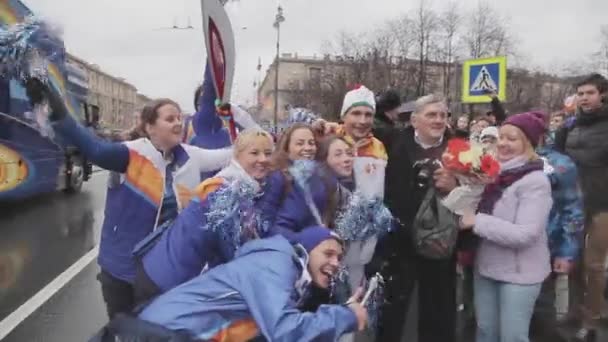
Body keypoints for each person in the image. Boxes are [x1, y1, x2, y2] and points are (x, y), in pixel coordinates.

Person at [24, 78, 258, 319]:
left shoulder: (191, 156)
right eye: (170, 119)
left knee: (157, 330)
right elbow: (93, 149)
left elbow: (237, 153)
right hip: (122, 271)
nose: (178, 122)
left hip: (164, 270)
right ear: (150, 127)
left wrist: (238, 115)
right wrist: (59, 111)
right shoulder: (131, 153)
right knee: (125, 331)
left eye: (179, 117)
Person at [107, 227, 367, 341]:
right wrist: (345, 316)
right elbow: (285, 331)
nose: (335, 262)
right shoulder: (276, 264)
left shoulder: (288, 273)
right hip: (160, 335)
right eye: (328, 253)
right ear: (307, 250)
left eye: (340, 258)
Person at [133, 128, 275, 303]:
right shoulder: (228, 192)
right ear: (237, 156)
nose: (263, 159)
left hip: (162, 272)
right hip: (167, 283)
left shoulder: (233, 183)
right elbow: (234, 255)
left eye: (268, 153)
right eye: (254, 153)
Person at [459, 111, 553, 342]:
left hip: (519, 274)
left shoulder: (535, 181)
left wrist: (476, 221)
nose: (503, 143)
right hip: (486, 267)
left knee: (512, 337)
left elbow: (526, 234)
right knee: (485, 332)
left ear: (527, 143)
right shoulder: (491, 174)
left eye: (512, 139)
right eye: (501, 137)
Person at [377, 94, 458, 342]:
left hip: (439, 240)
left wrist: (455, 186)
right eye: (431, 115)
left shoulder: (460, 149)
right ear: (414, 119)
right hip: (400, 238)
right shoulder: (394, 143)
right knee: (394, 307)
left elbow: (476, 196)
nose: (438, 120)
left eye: (442, 115)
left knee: (438, 307)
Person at [555, 73, 608, 342]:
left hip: (602, 205)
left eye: (589, 93)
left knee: (594, 265)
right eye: (581, 93)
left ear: (602, 95)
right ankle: (574, 311)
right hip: (572, 204)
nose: (584, 98)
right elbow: (557, 156)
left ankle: (592, 318)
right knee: (573, 260)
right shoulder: (570, 125)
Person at [532, 115, 584, 341]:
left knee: (542, 304)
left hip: (546, 245)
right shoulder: (501, 161)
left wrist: (566, 252)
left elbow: (572, 210)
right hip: (507, 249)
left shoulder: (560, 165)